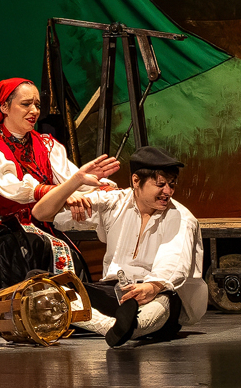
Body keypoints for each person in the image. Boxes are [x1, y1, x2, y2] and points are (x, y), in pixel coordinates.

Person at [0, 77, 118, 339]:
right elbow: (9, 186)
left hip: (41, 225)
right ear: (4, 107)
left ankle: (76, 317)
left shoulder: (46, 145)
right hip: (0, 229)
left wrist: (102, 186)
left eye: (37, 104)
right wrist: (60, 192)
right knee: (18, 252)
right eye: (26, 104)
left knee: (65, 253)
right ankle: (20, 319)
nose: (34, 110)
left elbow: (71, 178)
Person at [37, 146, 206, 347]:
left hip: (156, 293)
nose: (168, 191)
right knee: (41, 282)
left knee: (164, 301)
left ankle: (131, 326)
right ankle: (113, 327)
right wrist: (76, 180)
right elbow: (42, 214)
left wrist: (151, 287)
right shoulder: (113, 203)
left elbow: (174, 261)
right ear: (136, 181)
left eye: (172, 184)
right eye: (161, 184)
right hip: (115, 293)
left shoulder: (181, 218)